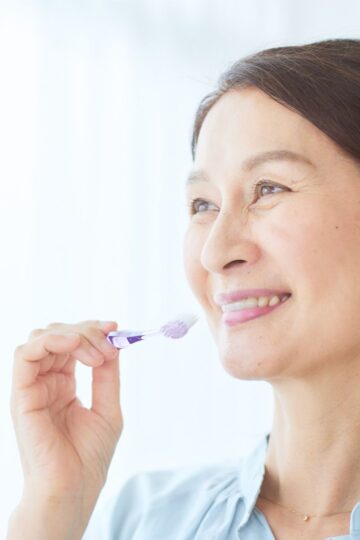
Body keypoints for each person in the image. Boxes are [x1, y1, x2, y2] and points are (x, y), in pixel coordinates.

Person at [6, 37, 360, 540]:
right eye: (202, 205)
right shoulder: (143, 521)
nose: (215, 252)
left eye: (269, 188)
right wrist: (52, 507)